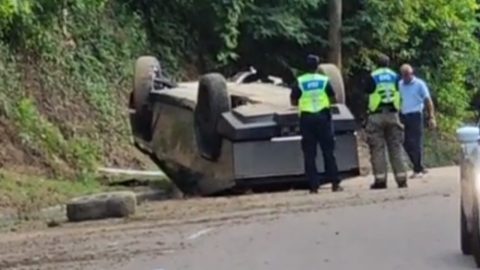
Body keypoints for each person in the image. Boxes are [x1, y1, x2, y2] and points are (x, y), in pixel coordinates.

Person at [290, 54, 343, 193]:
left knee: (309, 154)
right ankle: (335, 183)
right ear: (318, 66)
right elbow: (333, 97)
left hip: (307, 119)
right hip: (323, 118)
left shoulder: (300, 81)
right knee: (328, 152)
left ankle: (314, 186)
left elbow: (293, 100)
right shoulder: (324, 80)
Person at [365, 54, 408, 189]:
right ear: (388, 64)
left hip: (376, 115)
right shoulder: (395, 76)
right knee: (396, 147)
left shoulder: (372, 76)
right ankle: (401, 179)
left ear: (377, 64)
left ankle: (380, 180)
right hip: (393, 115)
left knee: (377, 148)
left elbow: (367, 91)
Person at [398, 64, 436, 179]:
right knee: (405, 142)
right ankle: (418, 165)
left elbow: (427, 100)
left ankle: (417, 169)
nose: (406, 77)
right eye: (404, 75)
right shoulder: (399, 85)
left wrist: (431, 116)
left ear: (412, 73)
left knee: (416, 142)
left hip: (416, 114)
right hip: (403, 115)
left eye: (408, 74)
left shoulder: (419, 84)